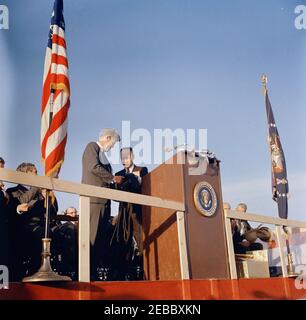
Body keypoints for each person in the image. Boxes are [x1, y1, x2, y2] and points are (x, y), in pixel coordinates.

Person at [82, 128, 124, 279]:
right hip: (94, 201)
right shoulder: (92, 146)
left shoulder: (104, 157)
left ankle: (93, 274)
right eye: (112, 143)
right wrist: (113, 178)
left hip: (105, 204)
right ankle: (86, 275)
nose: (112, 147)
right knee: (91, 239)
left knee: (100, 241)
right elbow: (93, 167)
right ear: (107, 137)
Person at [109, 147, 148, 280]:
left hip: (137, 210)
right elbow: (115, 195)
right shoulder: (118, 173)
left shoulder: (142, 170)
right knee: (123, 242)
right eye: (122, 157)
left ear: (132, 156)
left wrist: (133, 179)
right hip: (124, 211)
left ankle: (144, 273)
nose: (125, 159)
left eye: (127, 156)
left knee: (141, 242)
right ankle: (122, 275)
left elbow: (144, 189)